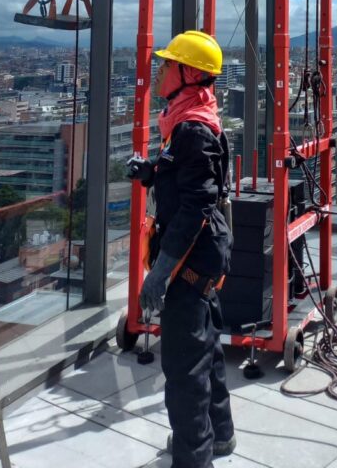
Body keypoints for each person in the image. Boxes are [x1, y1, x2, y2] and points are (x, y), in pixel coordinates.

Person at [127, 30, 235, 467]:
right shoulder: (188, 120)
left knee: (184, 364)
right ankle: (219, 436)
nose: (160, 71)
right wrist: (153, 172)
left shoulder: (191, 129)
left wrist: (160, 272)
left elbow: (196, 207)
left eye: (167, 65)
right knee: (204, 346)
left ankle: (194, 457)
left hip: (193, 255)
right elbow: (187, 182)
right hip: (204, 254)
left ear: (188, 73)